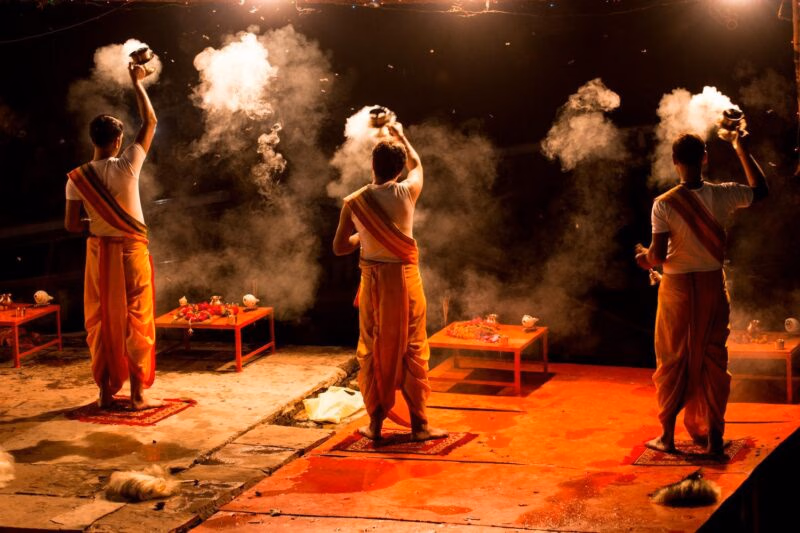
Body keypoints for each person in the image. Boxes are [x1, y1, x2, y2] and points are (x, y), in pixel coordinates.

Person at [635, 125, 767, 456]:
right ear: (705, 159)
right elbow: (761, 191)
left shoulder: (663, 204)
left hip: (676, 289)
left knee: (672, 357)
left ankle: (667, 437)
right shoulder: (723, 194)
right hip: (711, 287)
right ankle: (714, 440)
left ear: (674, 161)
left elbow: (657, 256)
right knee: (713, 358)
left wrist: (642, 258)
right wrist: (740, 147)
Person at [333, 123, 446, 442]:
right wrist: (401, 136)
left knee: (373, 348)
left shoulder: (354, 202)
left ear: (373, 164)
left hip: (374, 284)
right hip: (406, 281)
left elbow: (339, 247)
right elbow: (417, 164)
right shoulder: (408, 191)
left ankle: (375, 426)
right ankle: (419, 426)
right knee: (413, 348)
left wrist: (361, 236)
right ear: (399, 169)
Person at [64, 62, 159, 410]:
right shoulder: (128, 164)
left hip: (99, 254)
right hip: (131, 251)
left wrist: (99, 224)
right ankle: (136, 395)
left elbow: (72, 226)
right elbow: (150, 122)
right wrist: (137, 82)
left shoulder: (76, 179)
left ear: (93, 140)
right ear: (118, 141)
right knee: (137, 318)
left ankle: (105, 392)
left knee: (102, 318)